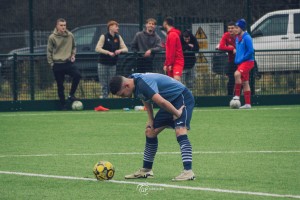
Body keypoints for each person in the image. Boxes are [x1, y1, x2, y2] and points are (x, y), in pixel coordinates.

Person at [109, 73, 195, 181]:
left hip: (181, 97)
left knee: (180, 130)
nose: (123, 97)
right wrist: (151, 119)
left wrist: (177, 113)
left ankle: (188, 172)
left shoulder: (141, 83)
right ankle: (146, 170)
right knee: (150, 131)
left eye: (122, 94)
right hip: (168, 102)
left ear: (126, 86)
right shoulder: (133, 81)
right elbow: (145, 97)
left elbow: (161, 101)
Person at [47, 18, 81, 110]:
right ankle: (63, 105)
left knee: (77, 75)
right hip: (57, 64)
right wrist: (51, 64)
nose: (63, 27)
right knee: (60, 86)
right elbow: (49, 52)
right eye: (61, 25)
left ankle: (71, 95)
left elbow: (74, 46)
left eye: (64, 25)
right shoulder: (52, 37)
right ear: (57, 26)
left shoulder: (70, 35)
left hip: (68, 63)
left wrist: (73, 55)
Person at [95, 20, 128, 98]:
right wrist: (108, 52)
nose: (118, 28)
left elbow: (125, 49)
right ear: (110, 27)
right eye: (116, 26)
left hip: (113, 64)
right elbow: (97, 48)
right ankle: (104, 98)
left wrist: (120, 50)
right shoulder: (104, 36)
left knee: (111, 83)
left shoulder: (118, 37)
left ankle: (111, 98)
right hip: (103, 63)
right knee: (104, 83)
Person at [233, 19, 254, 109]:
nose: (235, 29)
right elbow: (239, 51)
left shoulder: (247, 37)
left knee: (237, 74)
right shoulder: (237, 38)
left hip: (248, 62)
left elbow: (250, 51)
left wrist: (241, 59)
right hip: (241, 63)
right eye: (235, 27)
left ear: (241, 28)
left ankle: (237, 96)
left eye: (237, 28)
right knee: (245, 82)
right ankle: (248, 104)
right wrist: (237, 59)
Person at [217, 21, 236, 96]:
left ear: (236, 28)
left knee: (240, 81)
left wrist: (234, 48)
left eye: (232, 28)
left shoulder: (238, 36)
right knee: (231, 80)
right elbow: (221, 47)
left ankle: (238, 96)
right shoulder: (226, 35)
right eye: (229, 28)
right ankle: (229, 96)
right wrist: (231, 49)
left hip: (240, 61)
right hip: (231, 61)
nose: (230, 30)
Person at [163, 17, 184, 82]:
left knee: (176, 79)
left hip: (176, 61)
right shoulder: (170, 34)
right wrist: (166, 64)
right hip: (172, 62)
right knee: (172, 81)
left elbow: (172, 51)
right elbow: (169, 52)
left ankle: (182, 92)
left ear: (166, 23)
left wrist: (169, 64)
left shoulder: (172, 35)